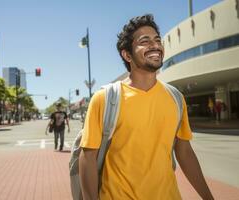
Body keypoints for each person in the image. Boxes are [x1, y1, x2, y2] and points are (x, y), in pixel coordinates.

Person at [79, 14, 214, 200]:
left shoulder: (175, 97)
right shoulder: (105, 98)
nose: (155, 45)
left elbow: (185, 152)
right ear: (127, 55)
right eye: (145, 41)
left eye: (157, 40)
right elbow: (88, 158)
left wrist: (208, 197)